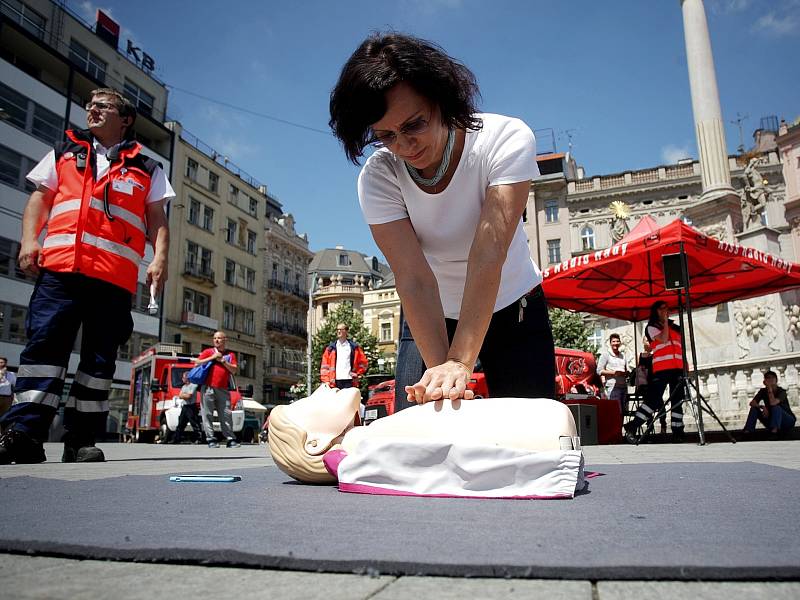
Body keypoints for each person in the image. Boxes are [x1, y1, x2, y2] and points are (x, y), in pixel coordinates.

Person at [329, 33, 555, 409]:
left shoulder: (506, 140)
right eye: (386, 136)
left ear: (441, 101)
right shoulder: (379, 176)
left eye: (414, 125)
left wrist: (461, 362)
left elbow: (488, 254)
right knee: (422, 433)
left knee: (532, 443)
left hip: (513, 302)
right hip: (428, 313)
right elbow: (413, 278)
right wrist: (442, 375)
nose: (404, 145)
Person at [0, 88, 172, 464]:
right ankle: (24, 434)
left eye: (103, 106)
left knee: (98, 362)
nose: (92, 110)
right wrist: (29, 240)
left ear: (125, 119)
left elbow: (157, 219)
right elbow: (40, 199)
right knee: (43, 350)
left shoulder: (146, 168)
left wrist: (159, 261)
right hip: (60, 270)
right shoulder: (64, 154)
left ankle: (80, 440)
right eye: (90, 106)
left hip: (112, 279)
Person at [267, 385, 584, 499]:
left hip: (548, 428)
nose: (321, 387)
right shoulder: (366, 442)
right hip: (545, 427)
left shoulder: (372, 437)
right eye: (305, 403)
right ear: (315, 444)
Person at [624, 301, 685, 443]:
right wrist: (664, 322)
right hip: (662, 368)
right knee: (653, 400)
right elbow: (663, 339)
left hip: (677, 367)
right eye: (662, 308)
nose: (666, 310)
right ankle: (632, 426)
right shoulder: (652, 327)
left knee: (678, 400)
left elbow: (680, 345)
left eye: (667, 308)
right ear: (656, 311)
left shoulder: (674, 326)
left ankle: (678, 432)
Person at [194, 331, 240, 449]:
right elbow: (196, 363)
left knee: (226, 414)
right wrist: (212, 357)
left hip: (223, 389)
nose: (216, 340)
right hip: (208, 387)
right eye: (215, 338)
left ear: (225, 340)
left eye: (219, 338)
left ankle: (230, 439)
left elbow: (234, 370)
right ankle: (211, 439)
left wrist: (223, 361)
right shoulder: (208, 352)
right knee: (207, 414)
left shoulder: (230, 355)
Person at [741, 370, 796, 439]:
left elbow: (773, 403)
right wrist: (762, 407)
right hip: (771, 418)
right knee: (754, 408)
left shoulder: (781, 391)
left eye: (772, 378)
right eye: (768, 378)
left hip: (787, 421)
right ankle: (748, 431)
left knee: (776, 407)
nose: (770, 380)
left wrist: (769, 388)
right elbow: (752, 403)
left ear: (776, 380)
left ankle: (774, 432)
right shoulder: (763, 391)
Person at [320, 323, 368, 390]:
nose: (338, 331)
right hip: (334, 381)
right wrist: (326, 380)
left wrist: (357, 373)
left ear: (346, 331)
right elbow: (324, 366)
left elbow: (364, 363)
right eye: (337, 330)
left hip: (349, 380)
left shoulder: (354, 348)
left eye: (341, 329)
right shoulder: (330, 348)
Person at [596, 333, 629, 418]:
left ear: (620, 343)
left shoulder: (623, 356)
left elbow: (626, 369)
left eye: (617, 341)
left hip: (623, 386)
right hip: (612, 387)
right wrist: (614, 373)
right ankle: (616, 431)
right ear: (610, 343)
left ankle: (620, 430)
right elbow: (599, 371)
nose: (616, 343)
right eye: (613, 341)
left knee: (623, 413)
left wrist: (627, 373)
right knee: (616, 411)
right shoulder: (605, 355)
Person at [173, 372, 202, 444]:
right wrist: (183, 395)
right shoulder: (184, 387)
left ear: (187, 378)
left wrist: (183, 395)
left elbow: (188, 396)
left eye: (183, 377)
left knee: (194, 423)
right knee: (181, 424)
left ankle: (199, 439)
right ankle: (177, 439)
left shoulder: (193, 385)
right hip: (185, 407)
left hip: (191, 407)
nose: (182, 379)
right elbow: (180, 396)